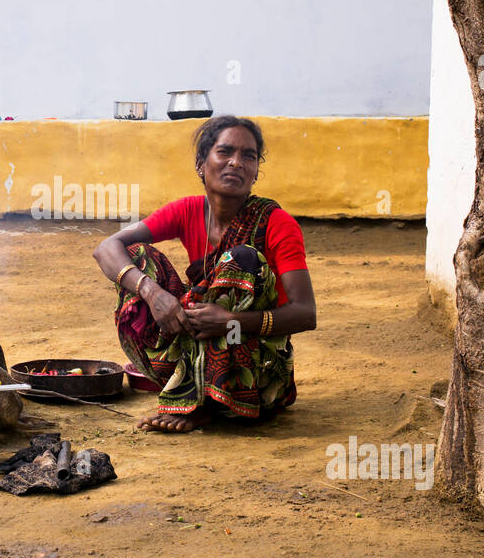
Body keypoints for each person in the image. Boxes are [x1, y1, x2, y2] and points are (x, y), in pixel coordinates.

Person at [92, 116, 317, 433]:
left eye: (248, 156)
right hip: (196, 342)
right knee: (136, 257)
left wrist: (231, 322)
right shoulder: (187, 211)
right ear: (201, 164)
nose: (236, 163)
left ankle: (208, 404)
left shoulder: (277, 223)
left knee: (242, 258)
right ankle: (186, 385)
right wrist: (153, 293)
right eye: (225, 152)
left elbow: (306, 313)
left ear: (255, 170)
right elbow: (106, 249)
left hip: (257, 369)